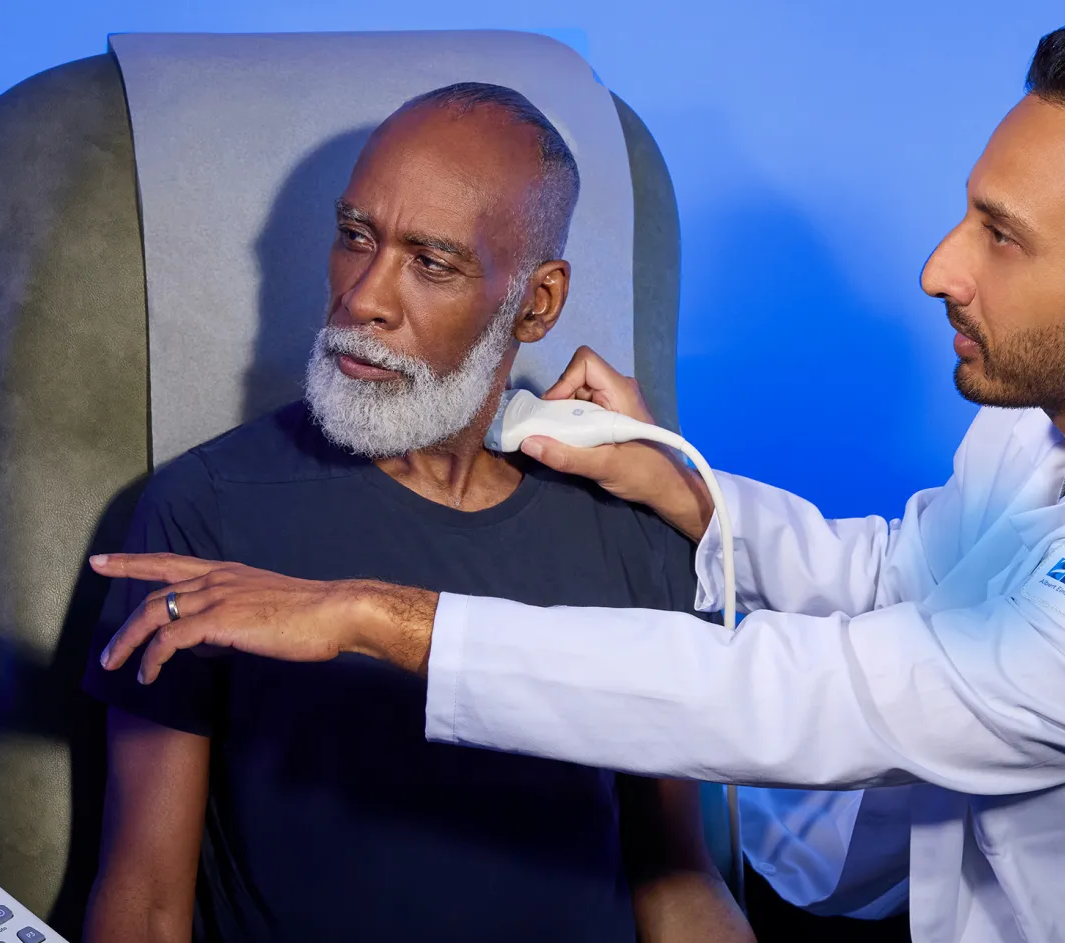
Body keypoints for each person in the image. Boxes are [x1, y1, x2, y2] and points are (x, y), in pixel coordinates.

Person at [90, 23, 1065, 943]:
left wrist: (381, 616)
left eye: (999, 235)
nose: (937, 267)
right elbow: (903, 578)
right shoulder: (1057, 417)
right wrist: (692, 494)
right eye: (356, 236)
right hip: (901, 886)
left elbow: (805, 702)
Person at [80, 83, 750, 943]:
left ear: (536, 304)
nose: (364, 298)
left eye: (431, 263)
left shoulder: (628, 520)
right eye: (355, 236)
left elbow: (678, 884)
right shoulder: (203, 516)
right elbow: (144, 905)